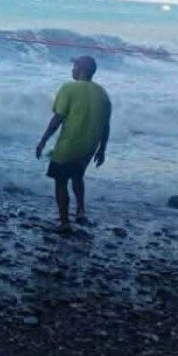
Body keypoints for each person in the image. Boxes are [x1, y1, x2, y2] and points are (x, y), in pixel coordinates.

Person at [34, 56, 112, 233]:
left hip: (70, 144)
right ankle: (81, 211)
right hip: (90, 147)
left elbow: (58, 118)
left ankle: (64, 222)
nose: (72, 70)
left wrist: (43, 140)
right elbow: (106, 125)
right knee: (77, 175)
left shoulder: (69, 88)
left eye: (75, 66)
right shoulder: (103, 93)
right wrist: (102, 150)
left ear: (82, 69)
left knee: (60, 181)